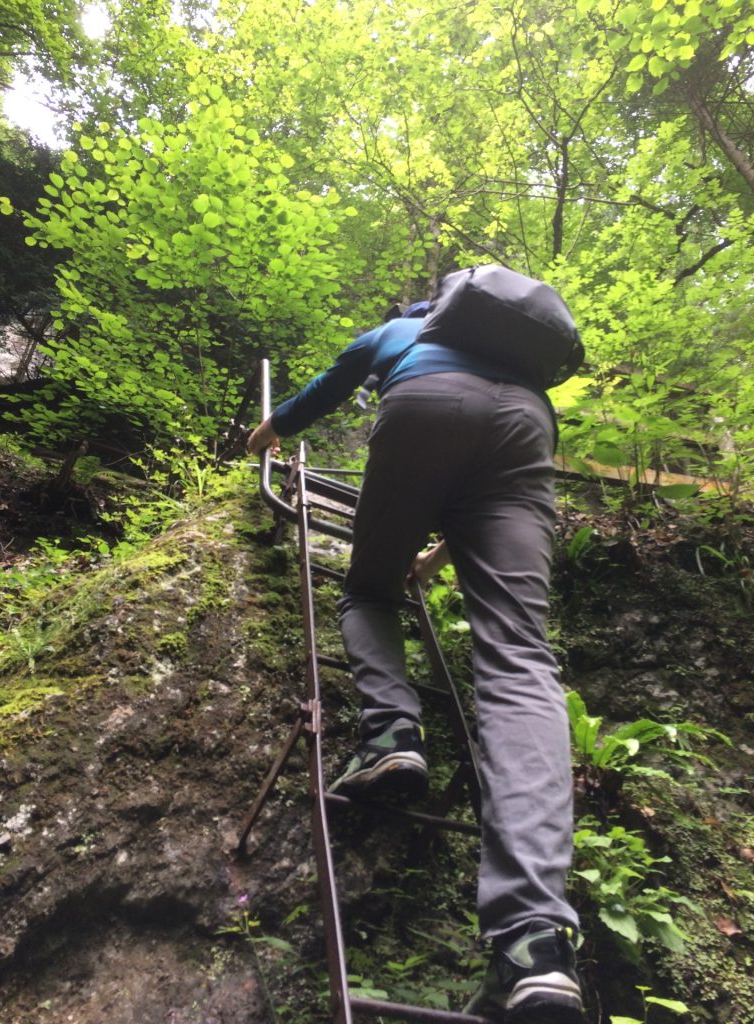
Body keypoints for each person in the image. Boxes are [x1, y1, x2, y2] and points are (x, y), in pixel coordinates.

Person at [247, 298, 583, 1024]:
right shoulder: (516, 367)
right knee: (522, 661)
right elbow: (483, 462)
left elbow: (327, 390)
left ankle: (394, 737)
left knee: (367, 592)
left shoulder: (405, 332)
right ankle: (536, 942)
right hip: (528, 427)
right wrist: (436, 557)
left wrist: (270, 433)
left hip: (423, 404)